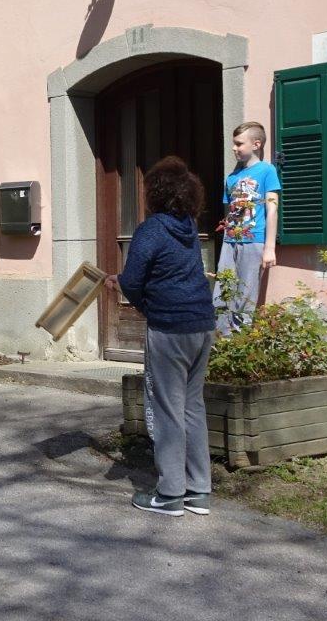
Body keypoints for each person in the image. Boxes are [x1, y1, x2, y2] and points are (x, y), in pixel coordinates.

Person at [107, 156, 216, 516]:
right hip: (202, 323)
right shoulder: (188, 227)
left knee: (168, 408)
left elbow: (133, 279)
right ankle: (198, 490)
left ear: (154, 192)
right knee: (192, 406)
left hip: (170, 327)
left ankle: (170, 494)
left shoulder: (151, 230)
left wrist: (129, 292)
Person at [213, 121, 282, 335]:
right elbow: (230, 212)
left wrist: (269, 248)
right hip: (229, 241)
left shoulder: (267, 170)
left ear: (256, 144)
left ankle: (239, 341)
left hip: (254, 240)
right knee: (222, 293)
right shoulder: (232, 177)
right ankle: (222, 342)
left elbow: (272, 208)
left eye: (239, 143)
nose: (234, 148)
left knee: (245, 296)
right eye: (234, 143)